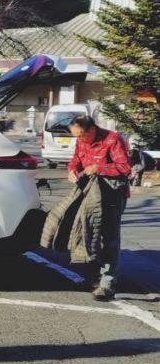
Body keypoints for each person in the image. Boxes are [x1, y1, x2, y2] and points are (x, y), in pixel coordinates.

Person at [68, 115, 131, 301]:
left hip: (112, 195)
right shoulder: (81, 140)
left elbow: (125, 168)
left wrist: (99, 168)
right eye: (76, 136)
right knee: (89, 234)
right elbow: (76, 160)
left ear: (92, 129)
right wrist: (72, 170)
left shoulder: (113, 139)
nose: (80, 139)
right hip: (90, 193)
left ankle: (107, 284)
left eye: (82, 135)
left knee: (109, 239)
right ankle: (94, 278)